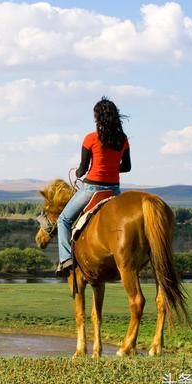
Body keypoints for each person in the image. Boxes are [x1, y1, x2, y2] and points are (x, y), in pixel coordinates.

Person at [56, 97, 131, 277]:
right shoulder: (123, 139)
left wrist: (78, 173)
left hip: (91, 189)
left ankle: (65, 258)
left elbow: (82, 169)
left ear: (97, 117)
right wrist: (112, 167)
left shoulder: (90, 138)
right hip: (114, 190)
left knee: (63, 220)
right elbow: (127, 166)